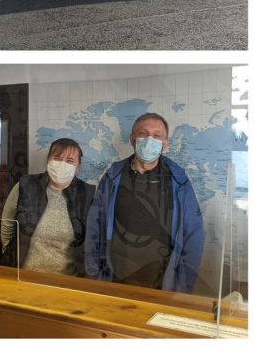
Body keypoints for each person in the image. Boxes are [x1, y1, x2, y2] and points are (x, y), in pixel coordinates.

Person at [85, 112, 204, 293]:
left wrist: (183, 285)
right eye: (143, 133)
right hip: (113, 282)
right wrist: (95, 276)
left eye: (157, 136)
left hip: (163, 286)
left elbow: (193, 235)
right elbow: (95, 226)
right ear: (132, 139)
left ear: (165, 144)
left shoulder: (179, 181)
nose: (150, 139)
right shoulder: (112, 177)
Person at [1, 138, 95, 276]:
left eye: (70, 161)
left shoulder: (87, 194)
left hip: (67, 281)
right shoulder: (26, 185)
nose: (62, 164)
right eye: (57, 158)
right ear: (48, 160)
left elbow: (93, 240)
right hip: (24, 276)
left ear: (78, 167)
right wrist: (7, 250)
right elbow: (7, 222)